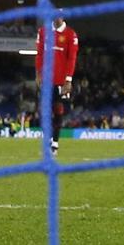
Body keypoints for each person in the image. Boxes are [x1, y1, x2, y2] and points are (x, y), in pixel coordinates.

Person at [35, 12, 79, 157]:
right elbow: (39, 54)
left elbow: (72, 58)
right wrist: (38, 74)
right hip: (47, 80)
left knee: (59, 110)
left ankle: (55, 142)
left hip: (61, 80)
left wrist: (68, 80)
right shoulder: (43, 32)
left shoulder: (71, 35)